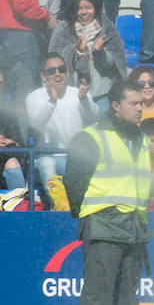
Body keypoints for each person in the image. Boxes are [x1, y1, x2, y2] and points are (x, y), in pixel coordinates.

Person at [63, 80, 154, 305]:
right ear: (115, 106)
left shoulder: (141, 138)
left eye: (141, 103)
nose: (140, 108)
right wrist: (88, 214)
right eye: (134, 103)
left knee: (128, 296)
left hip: (133, 227)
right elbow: (74, 181)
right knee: (98, 295)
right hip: (104, 224)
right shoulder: (89, 137)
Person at [26, 54, 100, 206]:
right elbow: (35, 123)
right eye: (51, 71)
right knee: (48, 164)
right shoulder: (34, 97)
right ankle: (59, 208)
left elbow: (93, 116)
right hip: (46, 156)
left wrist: (84, 99)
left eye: (61, 69)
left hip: (73, 156)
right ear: (43, 76)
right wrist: (52, 102)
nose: (57, 73)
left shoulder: (78, 93)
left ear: (67, 73)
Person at [48, 0, 126, 113]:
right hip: (71, 93)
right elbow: (53, 60)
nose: (84, 12)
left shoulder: (107, 28)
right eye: (79, 8)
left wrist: (100, 52)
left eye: (88, 7)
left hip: (101, 94)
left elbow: (116, 63)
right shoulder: (63, 29)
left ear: (95, 8)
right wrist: (77, 51)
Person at [0, 66, 26, 190]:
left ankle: (19, 207)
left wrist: (11, 142)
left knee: (13, 164)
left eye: (1, 84)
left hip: (4, 160)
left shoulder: (9, 113)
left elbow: (20, 144)